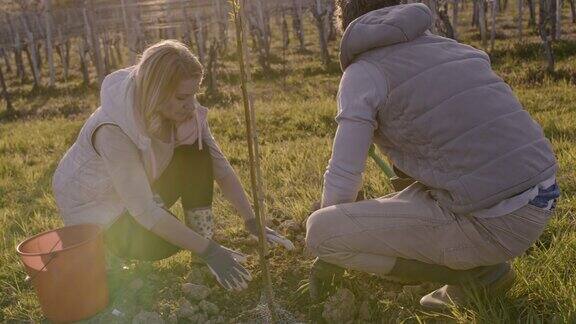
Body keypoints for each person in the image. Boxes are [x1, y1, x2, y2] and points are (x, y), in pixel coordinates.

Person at [305, 1, 559, 309]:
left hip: (495, 220)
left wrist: (330, 248)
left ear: (343, 23)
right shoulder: (452, 48)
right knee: (399, 202)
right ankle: (477, 266)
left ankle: (480, 274)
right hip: (541, 196)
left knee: (320, 231)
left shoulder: (364, 73)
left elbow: (344, 174)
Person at [52, 40, 293, 292]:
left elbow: (218, 165)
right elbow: (145, 210)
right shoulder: (112, 132)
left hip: (138, 192)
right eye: (182, 97)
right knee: (164, 244)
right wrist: (211, 251)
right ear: (156, 91)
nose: (191, 104)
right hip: (103, 217)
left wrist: (251, 219)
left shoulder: (178, 109)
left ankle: (202, 247)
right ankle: (109, 252)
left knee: (197, 154)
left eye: (193, 94)